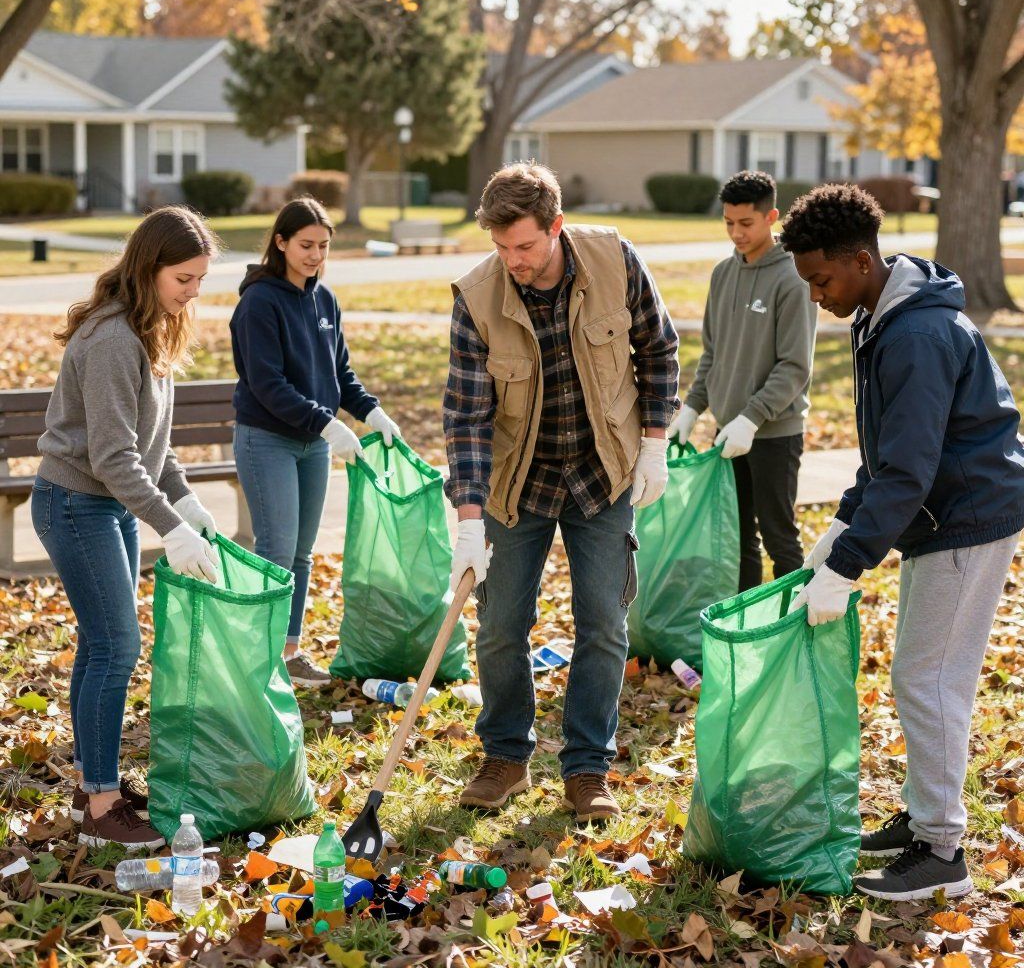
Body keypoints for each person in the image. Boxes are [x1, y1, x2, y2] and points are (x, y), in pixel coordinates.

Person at [781, 183, 1024, 901]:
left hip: (968, 517)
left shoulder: (914, 335)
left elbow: (912, 471)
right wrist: (844, 521)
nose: (817, 297)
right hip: (942, 515)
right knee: (921, 676)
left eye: (822, 280)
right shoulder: (883, 315)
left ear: (860, 261)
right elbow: (888, 455)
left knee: (930, 680)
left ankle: (941, 853)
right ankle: (926, 822)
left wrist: (848, 565)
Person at [443, 163, 680, 822]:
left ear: (556, 227)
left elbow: (659, 351)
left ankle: (586, 768)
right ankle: (506, 757)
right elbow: (466, 419)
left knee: (604, 624)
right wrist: (468, 521)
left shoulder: (613, 260)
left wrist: (655, 439)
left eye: (524, 245)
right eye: (500, 246)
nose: (512, 260)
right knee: (498, 628)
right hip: (519, 481)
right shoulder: (476, 297)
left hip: (602, 473)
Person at [34, 206, 221, 850]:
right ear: (148, 269)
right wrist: (171, 528)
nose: (192, 293)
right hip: (75, 502)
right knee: (118, 646)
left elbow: (153, 444)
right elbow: (114, 457)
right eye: (183, 279)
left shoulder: (152, 329)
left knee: (101, 644)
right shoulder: (114, 338)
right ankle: (102, 805)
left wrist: (187, 503)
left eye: (199, 279)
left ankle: (96, 784)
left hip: (105, 503)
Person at [230, 197, 402, 688]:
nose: (314, 255)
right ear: (280, 243)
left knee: (302, 554)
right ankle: (257, 660)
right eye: (305, 245)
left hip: (313, 444)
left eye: (323, 247)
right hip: (267, 440)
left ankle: (288, 653)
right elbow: (267, 384)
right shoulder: (258, 303)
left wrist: (370, 411)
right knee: (277, 550)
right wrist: (329, 423)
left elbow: (339, 372)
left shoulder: (324, 300)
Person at [670, 170, 817, 591]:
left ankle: (794, 635)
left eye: (746, 223)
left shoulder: (793, 278)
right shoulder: (722, 274)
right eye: (729, 223)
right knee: (738, 540)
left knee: (779, 537)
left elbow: (794, 366)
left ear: (771, 216)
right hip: (727, 433)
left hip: (773, 433)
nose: (736, 232)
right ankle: (746, 628)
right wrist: (694, 407)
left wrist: (751, 418)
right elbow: (714, 353)